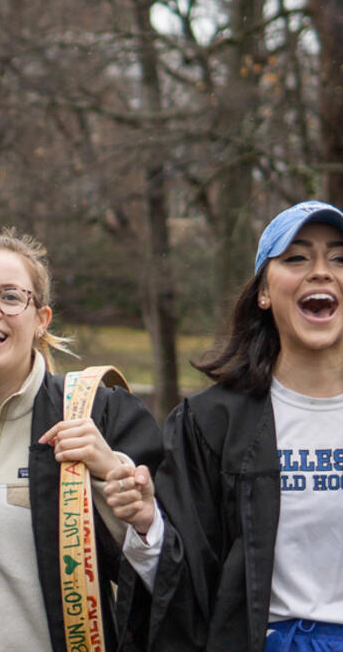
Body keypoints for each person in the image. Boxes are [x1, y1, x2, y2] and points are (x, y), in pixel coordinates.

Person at [107, 200, 343, 652]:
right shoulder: (210, 426)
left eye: (339, 258)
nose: (321, 271)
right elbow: (187, 583)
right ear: (263, 293)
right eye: (296, 258)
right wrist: (145, 523)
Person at [0, 229, 161, 652]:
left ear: (41, 320)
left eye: (11, 297)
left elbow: (168, 577)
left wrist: (130, 505)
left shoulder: (100, 416)